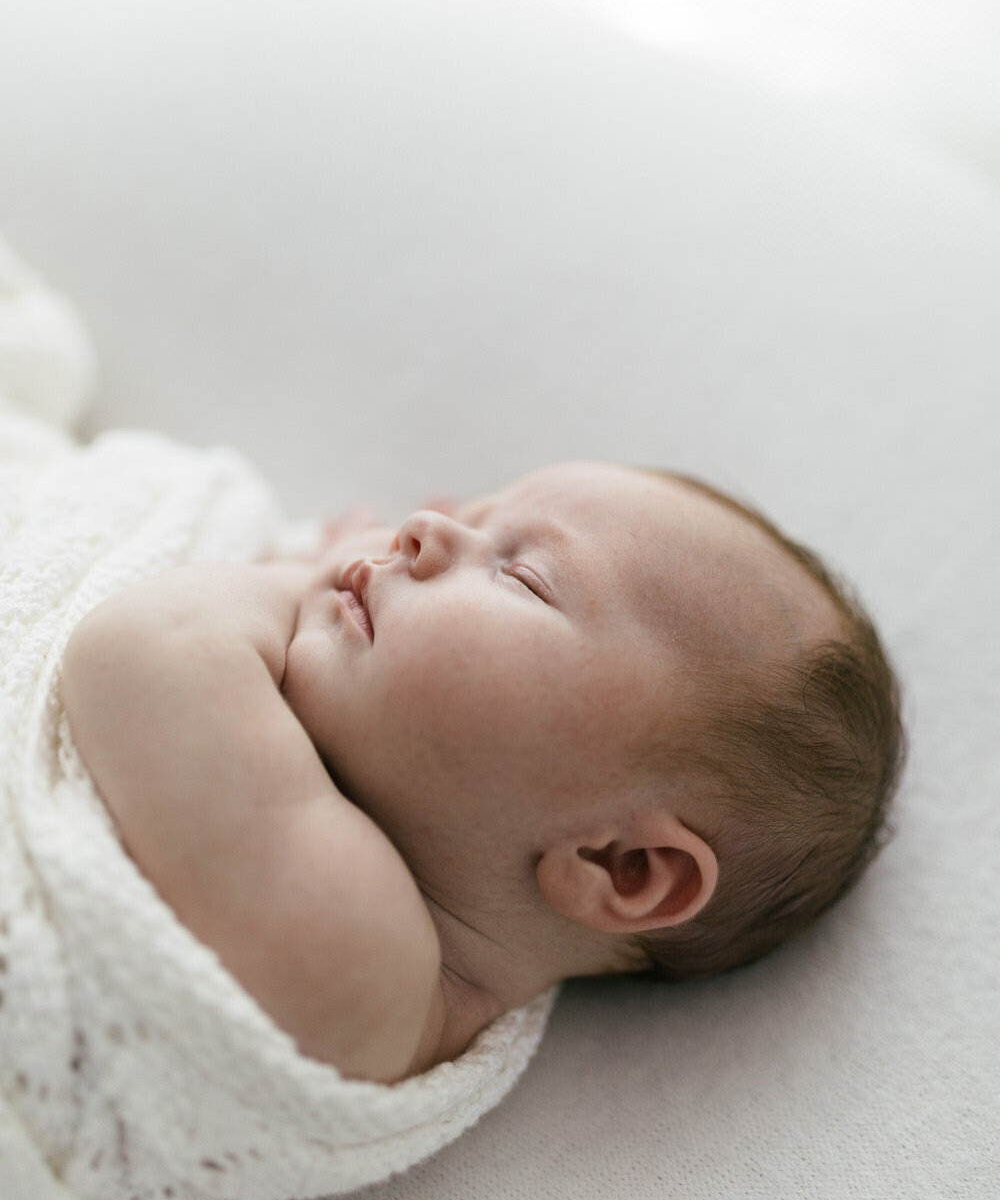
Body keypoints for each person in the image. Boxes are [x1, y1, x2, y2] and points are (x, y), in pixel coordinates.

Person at [60, 459, 906, 1085]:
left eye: (524, 577)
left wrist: (301, 575)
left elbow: (142, 651)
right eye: (472, 511)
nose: (420, 533)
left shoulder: (366, 970)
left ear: (621, 865)